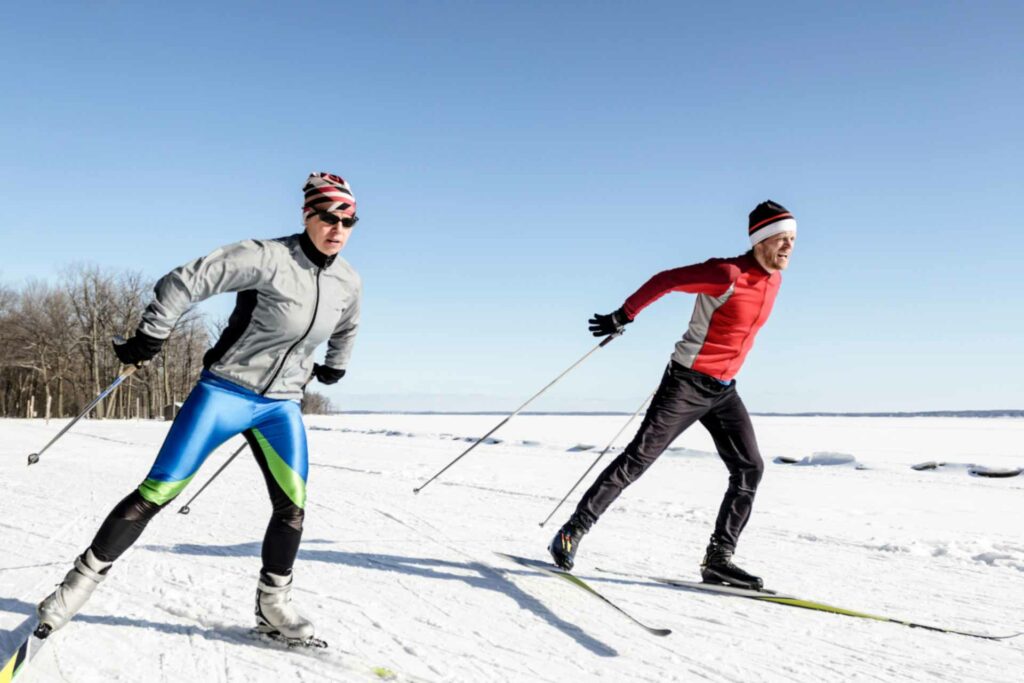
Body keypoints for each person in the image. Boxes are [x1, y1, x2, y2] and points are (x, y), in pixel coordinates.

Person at [36, 172, 362, 643]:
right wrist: (154, 332)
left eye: (348, 221)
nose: (338, 229)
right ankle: (72, 590)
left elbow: (348, 325)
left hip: (281, 407)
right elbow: (185, 280)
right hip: (225, 394)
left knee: (292, 509)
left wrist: (336, 364)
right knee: (156, 494)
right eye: (329, 218)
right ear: (307, 215)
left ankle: (274, 608)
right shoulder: (267, 257)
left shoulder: (348, 280)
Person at [549, 200, 797, 590]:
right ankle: (571, 531)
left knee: (750, 468)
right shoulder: (726, 273)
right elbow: (666, 279)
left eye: (793, 240)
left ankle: (719, 559)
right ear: (760, 240)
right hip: (685, 383)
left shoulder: (775, 280)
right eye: (781, 239)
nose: (788, 247)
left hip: (724, 391)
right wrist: (623, 314)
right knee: (638, 459)